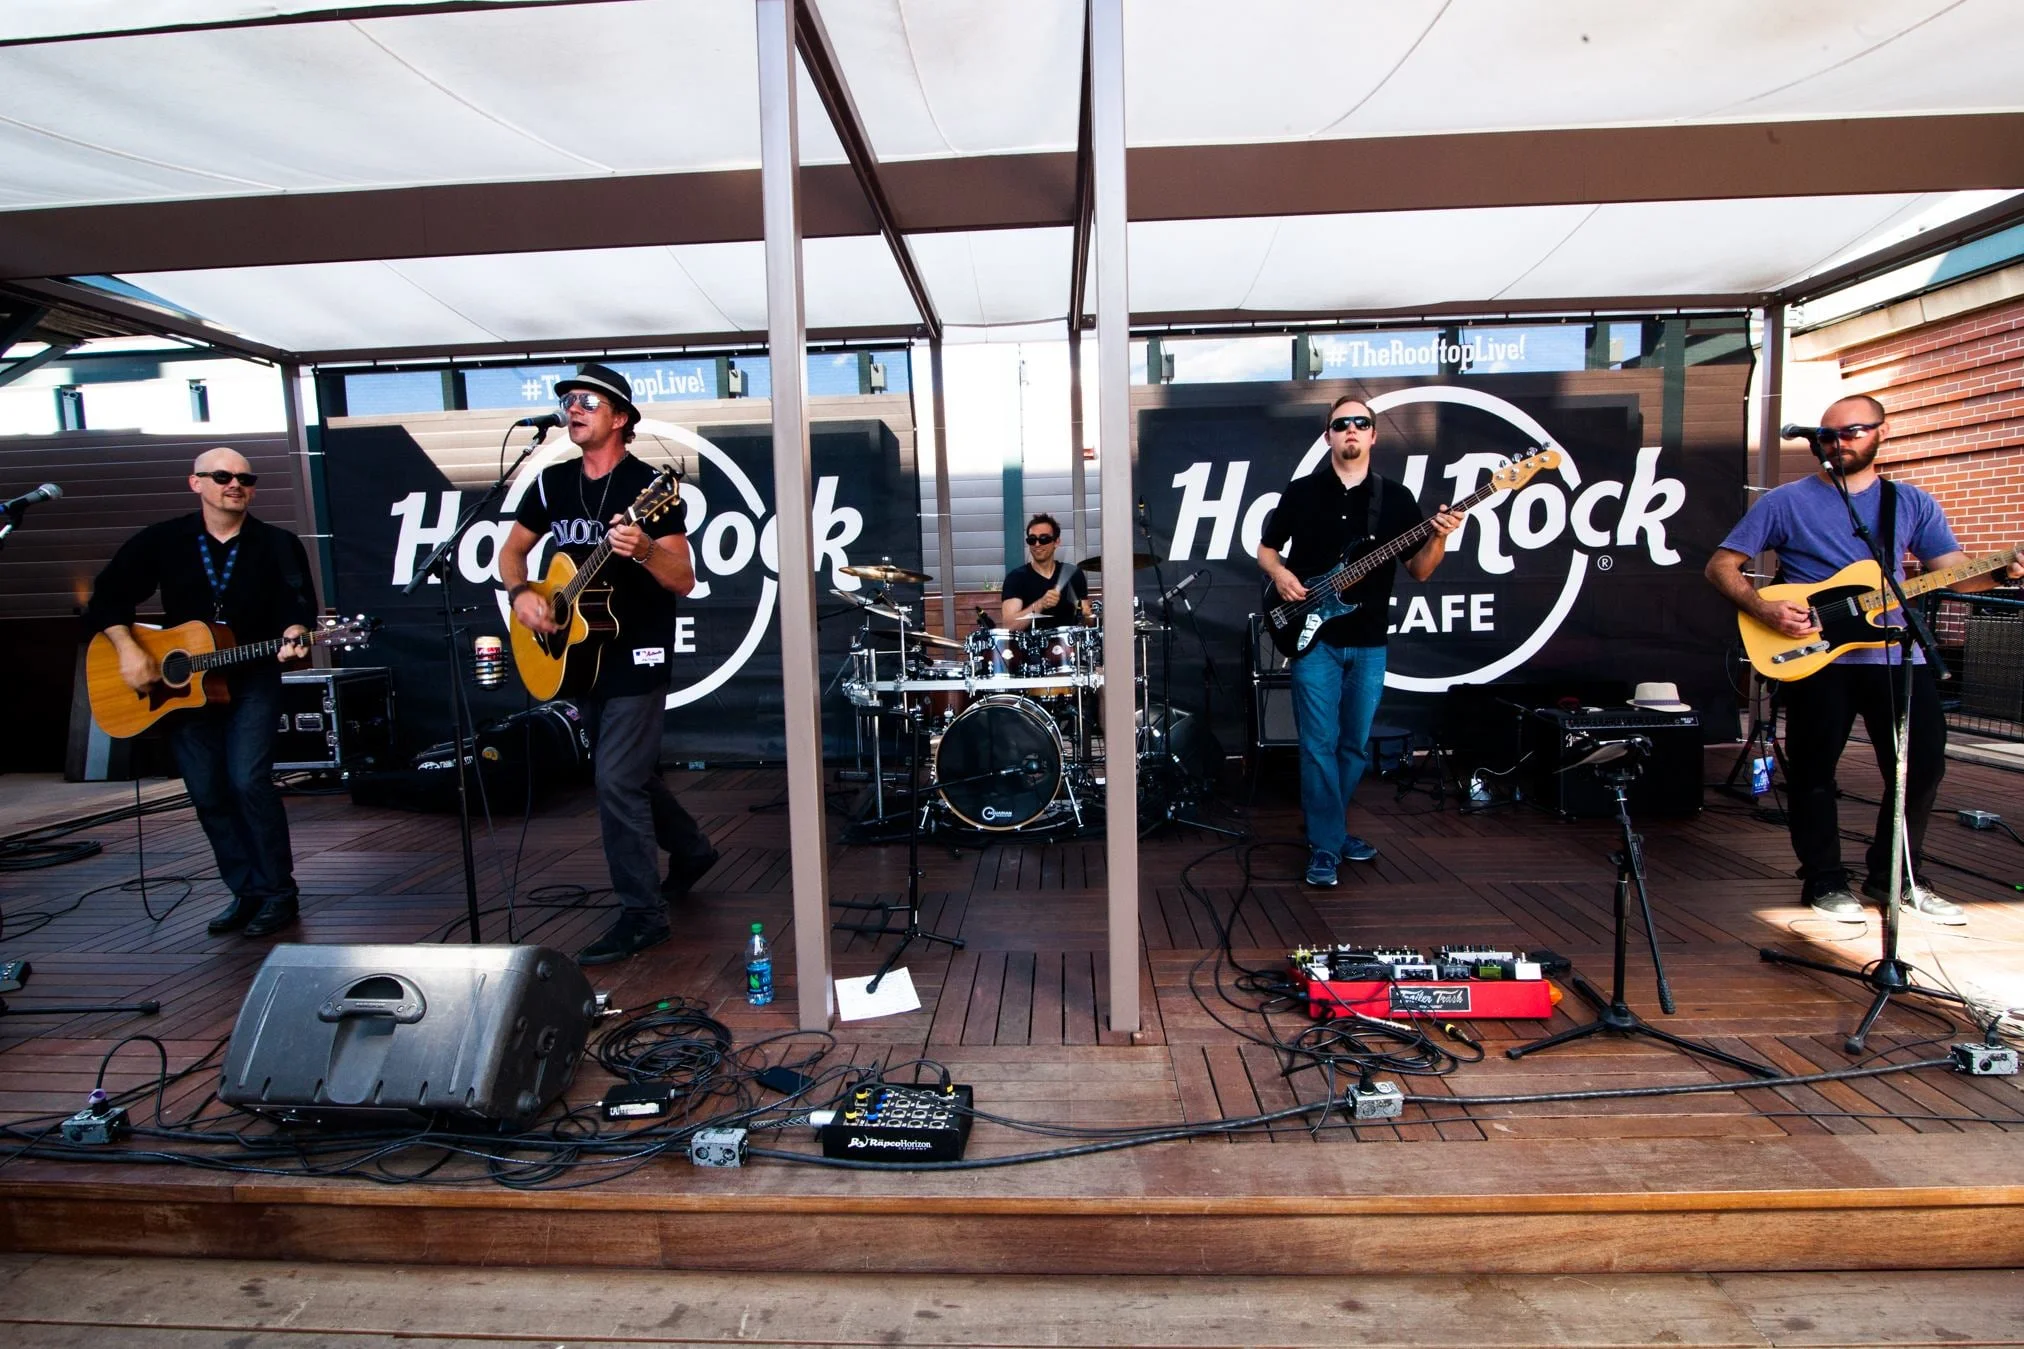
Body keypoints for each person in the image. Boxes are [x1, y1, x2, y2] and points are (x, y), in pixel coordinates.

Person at [1706, 394, 2022, 925]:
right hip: (1818, 657)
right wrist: (1765, 610)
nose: (1837, 443)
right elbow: (1721, 566)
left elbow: (1954, 572)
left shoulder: (1910, 503)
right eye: (1827, 435)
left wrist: (2000, 572)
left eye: (1852, 432)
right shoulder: (1785, 502)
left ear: (1881, 432)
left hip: (1899, 656)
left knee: (1921, 767)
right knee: (1812, 771)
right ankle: (1825, 879)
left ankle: (1896, 877)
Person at [500, 362, 718, 965]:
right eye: (567, 399)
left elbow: (683, 578)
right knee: (632, 773)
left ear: (620, 418)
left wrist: (645, 548)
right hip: (576, 654)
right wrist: (523, 594)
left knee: (615, 780)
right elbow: (513, 552)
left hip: (636, 651)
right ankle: (692, 848)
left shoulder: (650, 487)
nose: (573, 408)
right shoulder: (550, 484)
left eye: (588, 401)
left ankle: (643, 916)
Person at [86, 448, 317, 938]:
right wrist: (128, 648)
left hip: (251, 677)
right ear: (196, 483)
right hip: (186, 690)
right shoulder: (163, 540)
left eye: (245, 477)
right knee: (208, 792)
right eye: (222, 476)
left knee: (248, 782)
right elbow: (106, 595)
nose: (235, 483)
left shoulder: (277, 544)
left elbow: (298, 607)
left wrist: (295, 631)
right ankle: (246, 892)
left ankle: (279, 894)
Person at [1257, 397, 1465, 887]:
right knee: (1317, 745)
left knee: (1352, 746)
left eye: (1361, 423)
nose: (1351, 429)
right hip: (1314, 640)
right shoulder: (1302, 492)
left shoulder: (1394, 499)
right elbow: (1266, 551)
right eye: (1340, 424)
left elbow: (1420, 569)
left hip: (1369, 639)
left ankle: (1327, 829)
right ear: (1328, 435)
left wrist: (1442, 536)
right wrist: (1282, 575)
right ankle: (1327, 846)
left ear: (1373, 435)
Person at [999, 513, 1091, 627]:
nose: (1037, 544)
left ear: (1056, 542)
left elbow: (1088, 623)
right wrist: (1040, 604)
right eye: (1032, 540)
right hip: (1032, 644)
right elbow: (1009, 626)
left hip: (1069, 644)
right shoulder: (1016, 578)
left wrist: (1087, 616)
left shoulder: (1073, 574)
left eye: (1044, 539)